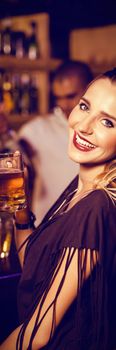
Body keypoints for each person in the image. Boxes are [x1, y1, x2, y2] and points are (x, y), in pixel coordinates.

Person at [0, 67, 116, 350]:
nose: (84, 125)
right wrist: (20, 205)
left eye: (108, 122)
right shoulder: (78, 189)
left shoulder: (96, 207)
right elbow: (36, 270)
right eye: (85, 107)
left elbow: (38, 333)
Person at [18, 60, 93, 225]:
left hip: (91, 230)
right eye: (58, 98)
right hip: (46, 229)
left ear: (91, 88)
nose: (63, 105)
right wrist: (5, 134)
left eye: (71, 96)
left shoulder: (105, 130)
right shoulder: (36, 130)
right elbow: (11, 159)